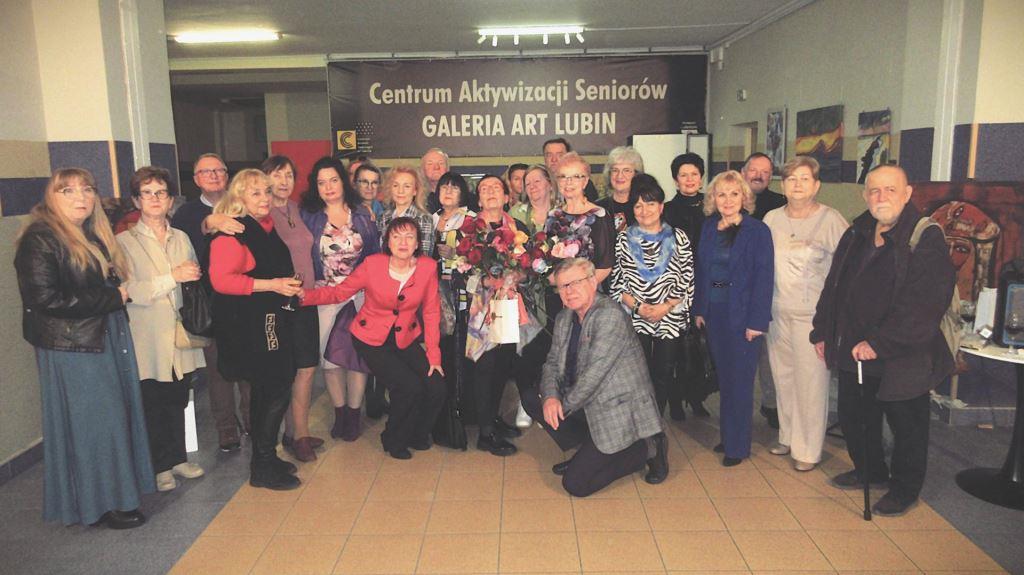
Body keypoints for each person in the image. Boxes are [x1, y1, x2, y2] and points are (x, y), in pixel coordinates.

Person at [811, 165, 955, 516]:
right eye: (874, 190)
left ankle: (904, 489)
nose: (881, 197)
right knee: (856, 417)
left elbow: (924, 303)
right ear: (865, 195)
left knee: (907, 425)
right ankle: (870, 470)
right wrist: (823, 330)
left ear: (907, 194)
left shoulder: (925, 236)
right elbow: (834, 286)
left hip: (903, 353)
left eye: (890, 189)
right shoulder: (856, 232)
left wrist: (880, 343)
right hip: (854, 348)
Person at [15, 168, 154, 528]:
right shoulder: (41, 238)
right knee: (95, 424)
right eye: (68, 190)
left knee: (113, 418)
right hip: (74, 346)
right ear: (51, 197)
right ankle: (102, 504)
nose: (81, 197)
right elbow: (45, 299)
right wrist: (111, 298)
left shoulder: (90, 231)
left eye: (87, 189)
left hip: (101, 335)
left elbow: (125, 205)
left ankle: (115, 494)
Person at [520, 258, 668, 496]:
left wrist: (561, 406)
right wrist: (549, 398)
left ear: (592, 282)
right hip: (585, 401)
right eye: (563, 286)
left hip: (616, 407)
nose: (569, 291)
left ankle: (647, 448)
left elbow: (592, 378)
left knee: (575, 485)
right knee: (532, 398)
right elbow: (552, 362)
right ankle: (589, 446)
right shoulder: (565, 318)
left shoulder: (610, 316)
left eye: (575, 283)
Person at [301, 217, 447, 460]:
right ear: (387, 242)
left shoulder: (427, 267)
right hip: (370, 338)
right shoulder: (373, 265)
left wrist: (434, 356)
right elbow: (339, 292)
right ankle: (393, 439)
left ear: (417, 243)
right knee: (407, 386)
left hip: (405, 337)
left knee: (436, 386)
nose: (403, 242)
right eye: (396, 237)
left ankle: (417, 434)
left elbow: (431, 312)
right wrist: (304, 296)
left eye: (409, 237)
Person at [209, 169, 304, 490]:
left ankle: (267, 456)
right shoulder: (233, 231)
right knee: (273, 389)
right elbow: (222, 281)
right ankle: (261, 465)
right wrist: (273, 284)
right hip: (250, 325)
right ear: (239, 198)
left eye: (267, 191)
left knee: (272, 389)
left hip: (271, 320)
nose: (265, 198)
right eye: (255, 193)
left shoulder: (265, 226)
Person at [117, 166, 206, 492]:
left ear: (170, 200)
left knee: (179, 397)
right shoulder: (124, 242)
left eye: (161, 193)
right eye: (147, 193)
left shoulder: (180, 237)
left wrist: (191, 276)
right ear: (136, 200)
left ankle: (179, 458)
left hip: (179, 332)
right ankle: (160, 466)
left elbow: (192, 277)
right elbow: (130, 290)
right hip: (147, 335)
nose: (155, 199)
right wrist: (173, 277)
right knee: (152, 402)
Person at [763, 156, 848, 471]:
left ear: (816, 185)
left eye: (804, 179)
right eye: (791, 179)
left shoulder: (830, 220)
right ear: (782, 184)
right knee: (783, 378)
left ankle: (808, 450)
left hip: (812, 317)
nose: (797, 185)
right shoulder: (772, 218)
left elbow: (845, 270)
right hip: (776, 312)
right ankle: (787, 436)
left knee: (811, 384)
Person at [692, 170, 774, 467]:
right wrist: (700, 309)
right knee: (726, 379)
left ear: (744, 197)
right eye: (721, 194)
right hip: (715, 313)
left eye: (734, 194)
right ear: (713, 198)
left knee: (740, 382)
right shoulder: (709, 227)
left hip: (743, 316)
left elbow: (764, 278)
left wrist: (757, 322)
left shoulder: (758, 231)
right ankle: (729, 436)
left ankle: (737, 447)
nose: (727, 200)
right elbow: (702, 271)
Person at [171, 153, 250, 452]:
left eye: (219, 170)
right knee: (219, 371)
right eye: (206, 172)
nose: (214, 175)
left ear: (227, 175)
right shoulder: (186, 214)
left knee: (249, 368)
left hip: (246, 299)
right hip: (210, 304)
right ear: (196, 179)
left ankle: (252, 421)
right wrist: (209, 224)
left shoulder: (243, 206)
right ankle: (226, 429)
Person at [300, 156, 381, 443]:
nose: (328, 187)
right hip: (324, 295)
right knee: (330, 358)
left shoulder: (361, 214)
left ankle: (355, 413)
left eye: (333, 180)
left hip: (359, 295)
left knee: (357, 357)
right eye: (321, 182)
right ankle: (340, 412)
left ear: (343, 182)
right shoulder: (308, 215)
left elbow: (374, 254)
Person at [611, 174, 694, 420]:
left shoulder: (678, 237)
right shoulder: (623, 239)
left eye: (650, 204)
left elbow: (687, 278)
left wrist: (664, 307)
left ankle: (655, 424)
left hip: (669, 317)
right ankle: (641, 422)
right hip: (636, 318)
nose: (644, 210)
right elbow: (617, 282)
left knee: (663, 374)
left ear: (661, 207)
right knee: (638, 374)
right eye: (638, 205)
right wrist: (638, 306)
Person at [260, 156, 322, 462]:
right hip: (278, 303)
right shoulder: (260, 213)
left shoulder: (298, 209)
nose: (284, 181)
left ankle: (298, 432)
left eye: (288, 175)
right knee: (286, 371)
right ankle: (293, 436)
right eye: (276, 175)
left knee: (307, 368)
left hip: (305, 299)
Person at [463, 175, 530, 456]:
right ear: (478, 199)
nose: (490, 192)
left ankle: (493, 417)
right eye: (484, 189)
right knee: (485, 366)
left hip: (509, 304)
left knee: (503, 363)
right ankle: (485, 432)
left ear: (506, 197)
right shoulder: (468, 229)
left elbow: (528, 265)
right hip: (480, 307)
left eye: (496, 188)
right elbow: (458, 268)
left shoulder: (518, 228)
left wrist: (517, 275)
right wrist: (485, 281)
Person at [742, 152, 787, 430]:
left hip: (768, 292)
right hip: (735, 296)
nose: (759, 175)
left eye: (766, 172)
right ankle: (738, 413)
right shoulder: (729, 204)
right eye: (754, 170)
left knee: (770, 357)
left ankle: (771, 405)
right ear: (743, 172)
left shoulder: (779, 206)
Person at [379, 165, 435, 256]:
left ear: (415, 191)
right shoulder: (384, 217)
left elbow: (424, 256)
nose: (400, 191)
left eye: (407, 186)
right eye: (395, 185)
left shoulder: (423, 218)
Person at [663, 153, 707, 253]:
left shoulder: (712, 205)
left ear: (701, 178)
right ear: (676, 181)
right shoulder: (667, 211)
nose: (689, 179)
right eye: (683, 175)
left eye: (694, 174)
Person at [596, 146, 643, 234]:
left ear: (636, 174)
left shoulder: (645, 208)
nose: (620, 176)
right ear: (609, 174)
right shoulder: (598, 208)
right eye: (615, 170)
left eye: (626, 170)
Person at [509, 164, 558, 234]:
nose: (532, 186)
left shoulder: (563, 212)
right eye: (528, 184)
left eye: (537, 181)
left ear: (551, 185)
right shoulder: (515, 213)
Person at [421, 148, 449, 213]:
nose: (436, 167)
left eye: (441, 163)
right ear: (423, 169)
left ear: (447, 168)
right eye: (430, 164)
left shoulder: (460, 197)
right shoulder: (415, 197)